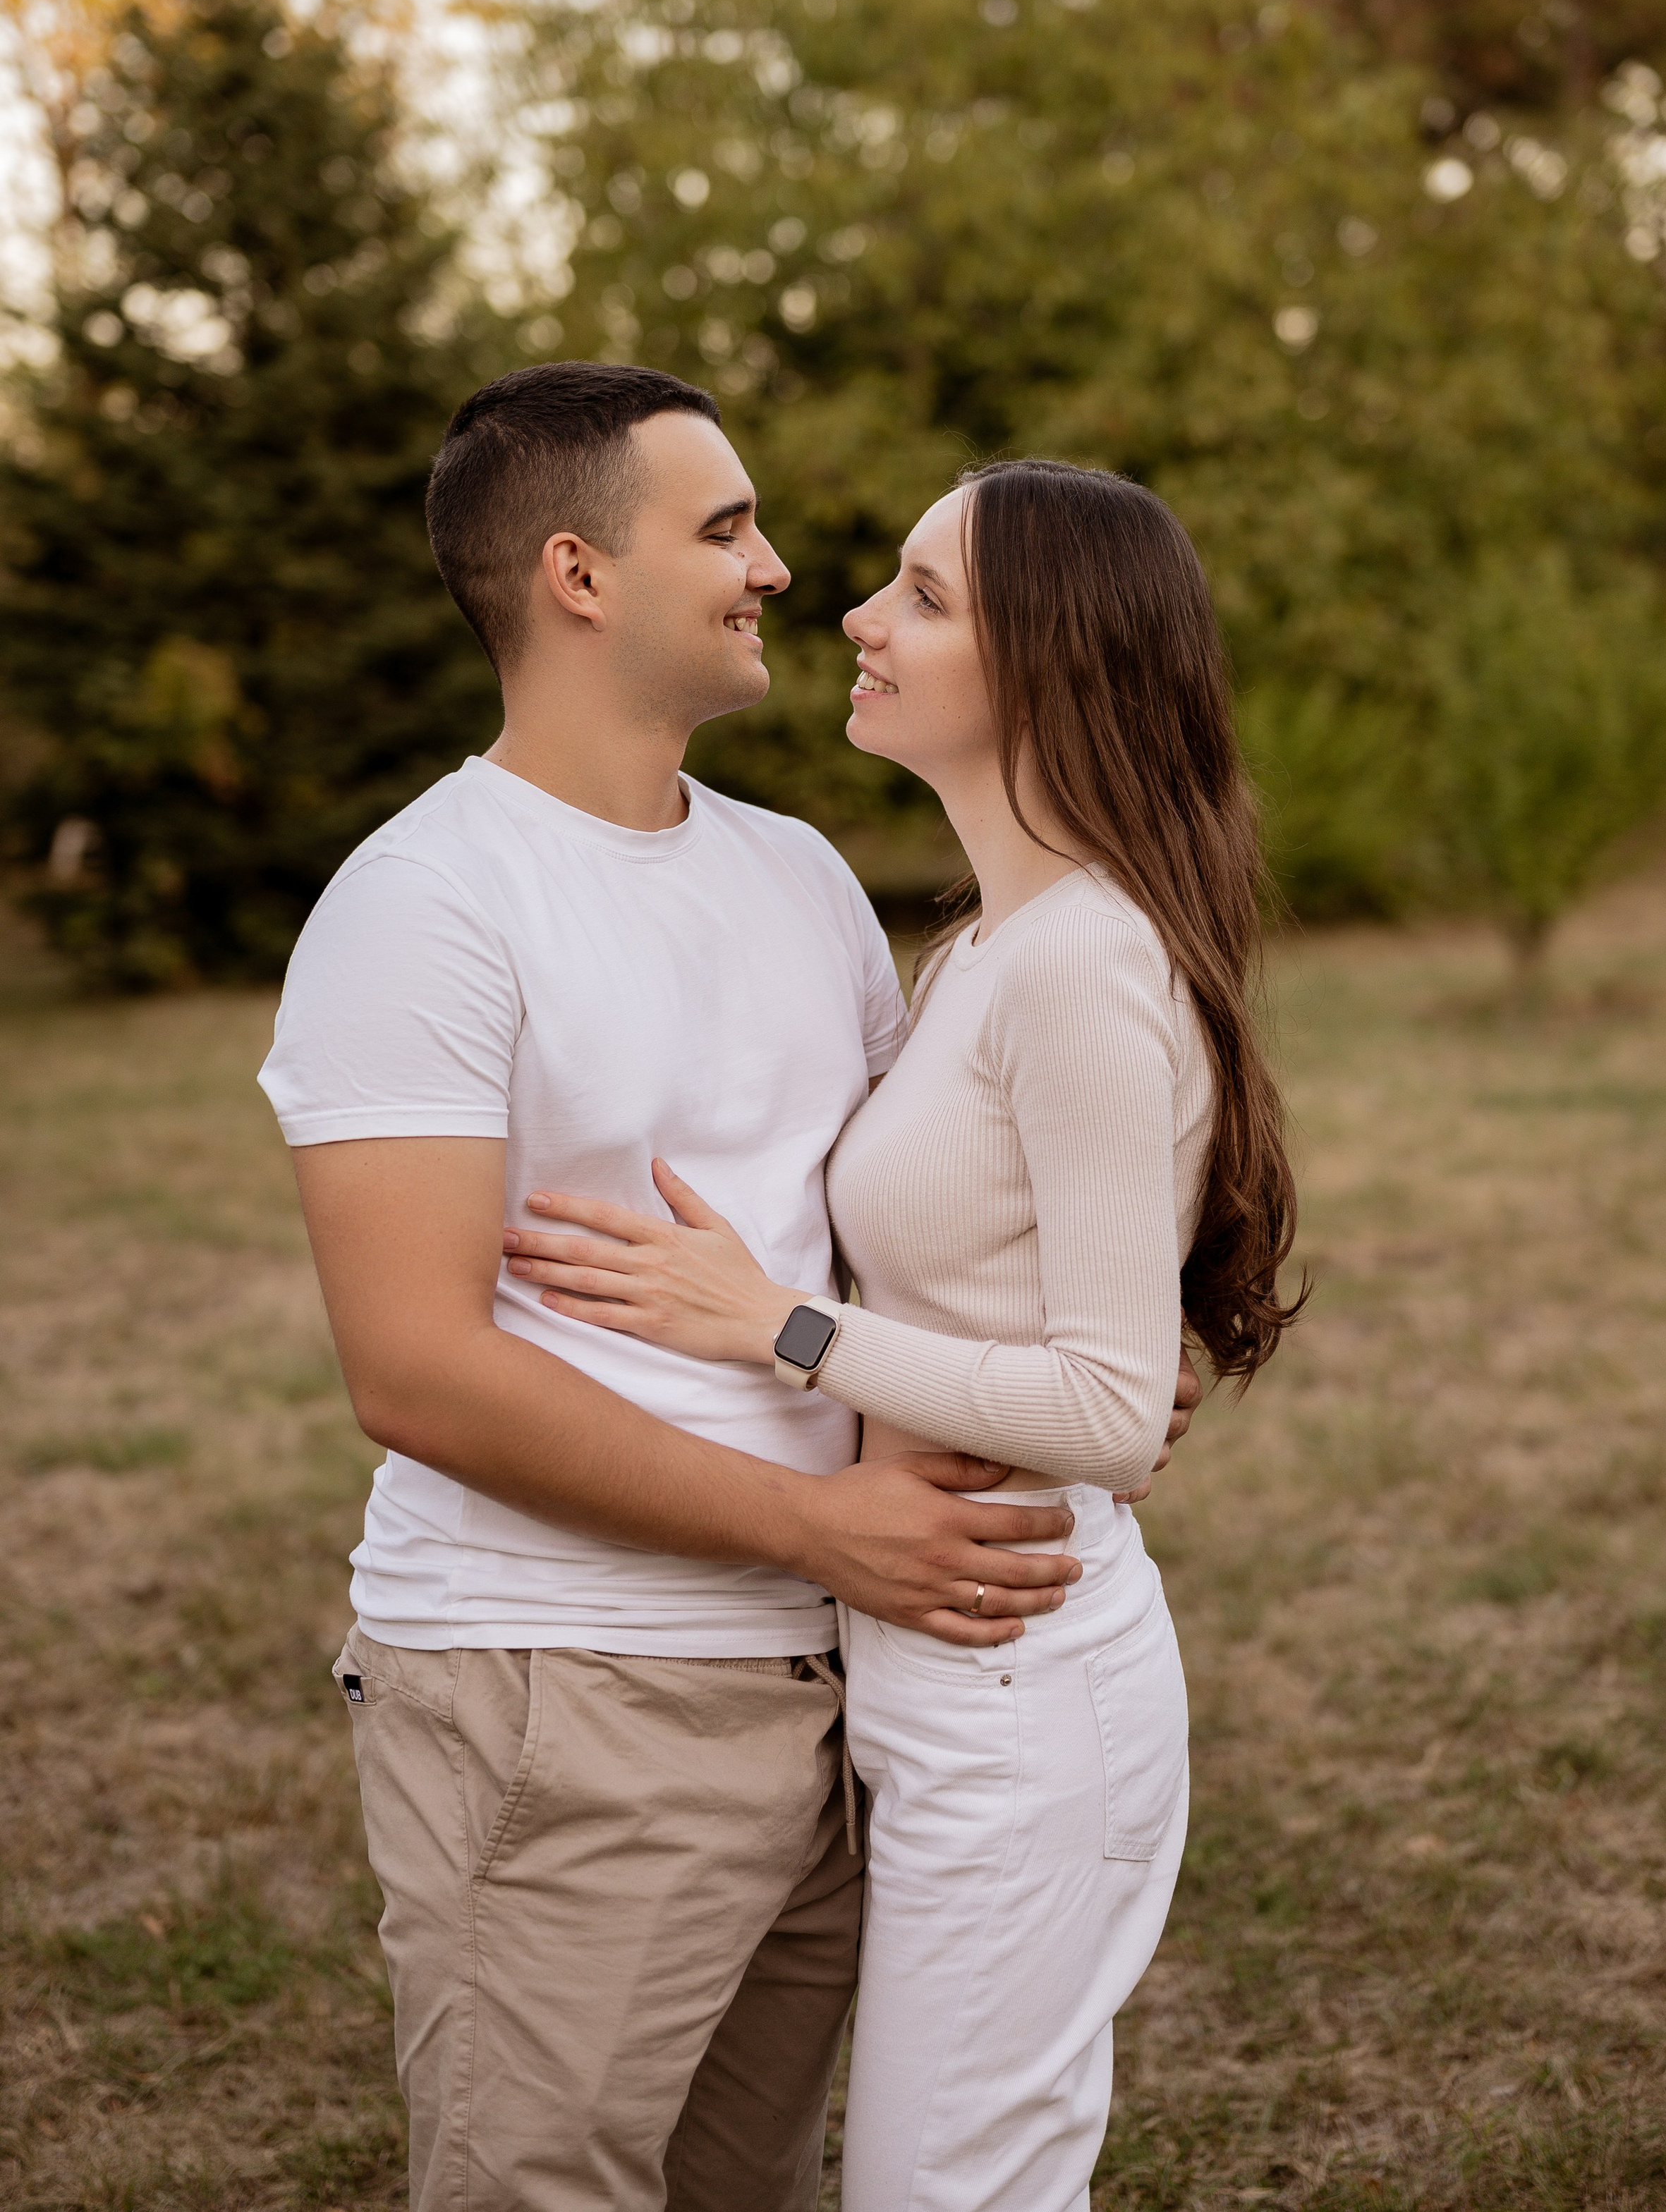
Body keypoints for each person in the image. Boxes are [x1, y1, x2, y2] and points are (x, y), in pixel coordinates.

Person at [258, 365, 1196, 2212]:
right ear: (576, 573)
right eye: (727, 527)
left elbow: (886, 1233)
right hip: (569, 1695)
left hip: (842, 1691)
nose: (782, 569)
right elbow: (417, 1374)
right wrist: (820, 1523)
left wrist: (1084, 1366)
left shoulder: (802, 876)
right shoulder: (424, 904)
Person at [500, 457, 1303, 2212]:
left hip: (1021, 1664)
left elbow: (1096, 1406)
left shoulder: (1084, 958)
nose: (853, 615)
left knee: (948, 2192)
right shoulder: (984, 949)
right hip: (929, 1659)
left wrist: (774, 1327)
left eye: (922, 597)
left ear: (1054, 665)